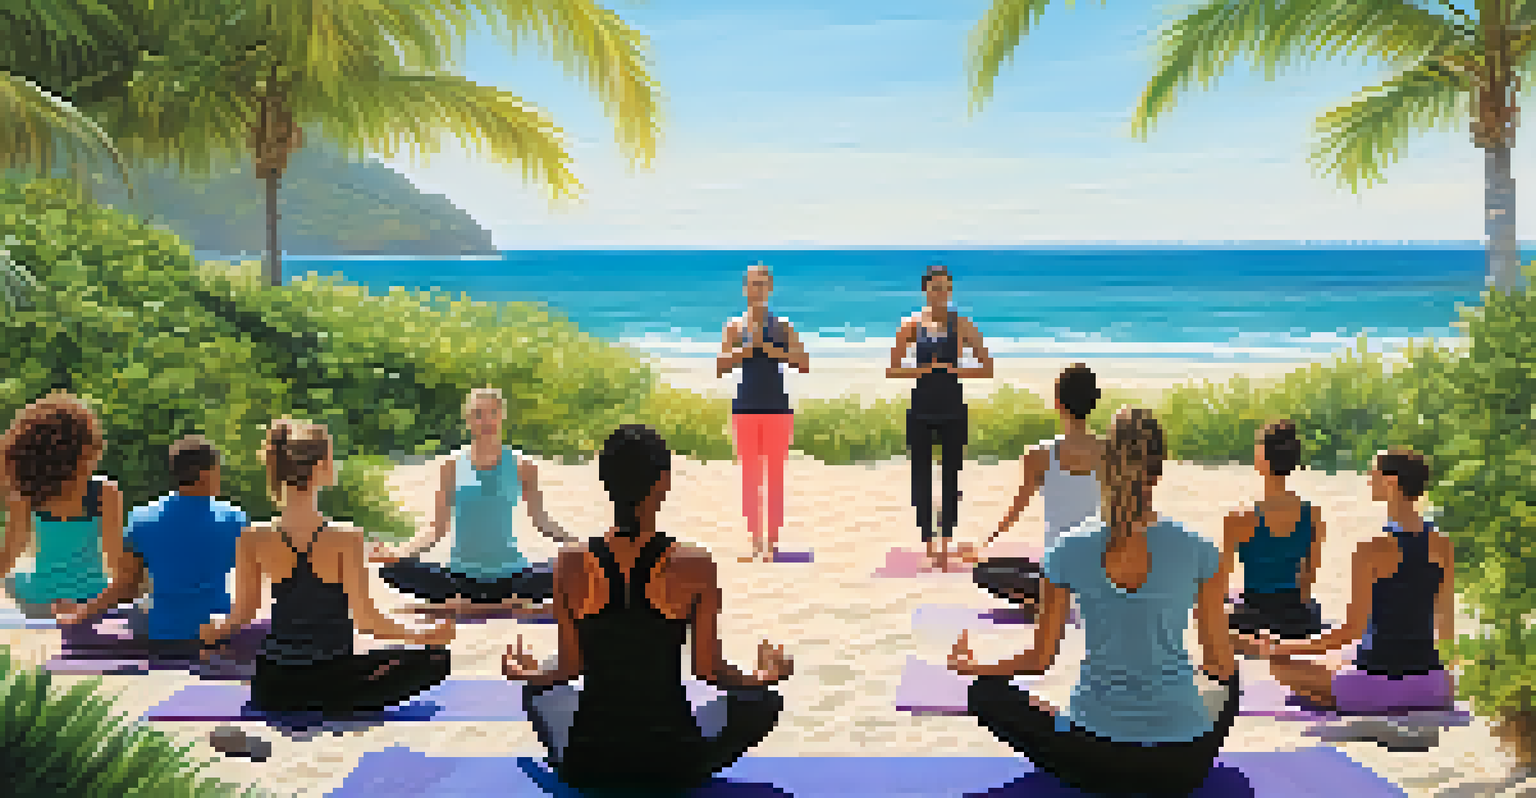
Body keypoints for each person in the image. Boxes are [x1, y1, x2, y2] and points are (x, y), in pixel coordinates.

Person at [950, 407, 1239, 797]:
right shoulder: (1201, 549)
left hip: (1095, 757)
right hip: (1181, 767)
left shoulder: (1067, 548)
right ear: (1159, 469)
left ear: (1106, 463)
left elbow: (1040, 659)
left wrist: (977, 665)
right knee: (1231, 681)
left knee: (984, 693)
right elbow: (1219, 664)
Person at [504, 425, 791, 790]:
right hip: (672, 760)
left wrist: (525, 673)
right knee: (765, 701)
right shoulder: (695, 564)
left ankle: (565, 753)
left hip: (590, 762)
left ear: (604, 481)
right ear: (664, 483)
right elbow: (708, 670)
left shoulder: (570, 562)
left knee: (538, 685)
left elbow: (568, 668)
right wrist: (761, 677)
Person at [200, 417, 454, 749]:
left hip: (273, 685)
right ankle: (339, 701)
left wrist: (215, 628)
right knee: (436, 659)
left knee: (278, 669)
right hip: (334, 677)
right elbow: (368, 621)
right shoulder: (346, 538)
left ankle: (319, 700)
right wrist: (425, 634)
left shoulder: (253, 537)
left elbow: (243, 614)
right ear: (320, 467)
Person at [1252, 449, 1457, 724]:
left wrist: (1283, 648)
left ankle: (1347, 701)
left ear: (1392, 482)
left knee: (1281, 667)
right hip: (1432, 687)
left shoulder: (1371, 548)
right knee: (1342, 659)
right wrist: (1447, 680)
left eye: (1373, 473)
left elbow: (1349, 631)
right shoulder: (1442, 544)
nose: (1368, 478)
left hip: (1377, 686)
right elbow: (1446, 625)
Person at [57, 435, 264, 670]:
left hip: (162, 635)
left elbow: (126, 587)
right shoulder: (235, 519)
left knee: (135, 609)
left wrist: (80, 614)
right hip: (215, 633)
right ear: (207, 474)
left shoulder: (142, 517)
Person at [369, 387, 575, 616]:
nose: (485, 420)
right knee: (390, 569)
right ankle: (504, 604)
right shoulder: (452, 465)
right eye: (478, 414)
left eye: (492, 413)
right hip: (459, 577)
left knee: (572, 569)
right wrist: (398, 553)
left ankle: (471, 604)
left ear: (502, 416)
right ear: (468, 420)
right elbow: (436, 530)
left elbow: (541, 521)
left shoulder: (523, 466)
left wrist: (578, 545)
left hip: (513, 576)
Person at [965, 364, 1104, 613]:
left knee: (983, 571)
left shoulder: (1039, 455)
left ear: (1058, 403)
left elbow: (1016, 510)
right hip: (1098, 571)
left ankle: (1050, 600)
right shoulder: (1112, 453)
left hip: (1058, 571)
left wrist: (984, 544)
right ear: (1093, 403)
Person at [886, 265, 994, 572]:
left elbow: (987, 367)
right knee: (920, 478)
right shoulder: (911, 324)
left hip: (952, 408)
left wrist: (954, 371)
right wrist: (921, 371)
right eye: (935, 288)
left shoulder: (961, 324)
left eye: (945, 288)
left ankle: (945, 542)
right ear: (925, 290)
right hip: (920, 409)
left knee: (951, 478)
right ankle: (928, 543)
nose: (940, 293)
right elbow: (892, 368)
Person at [0, 392, 131, 642]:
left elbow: (10, 554)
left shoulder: (26, 492)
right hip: (91, 598)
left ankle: (58, 603)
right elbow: (116, 562)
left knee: (12, 579)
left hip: (38, 600)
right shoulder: (106, 492)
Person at [716, 262, 810, 563]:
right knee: (749, 478)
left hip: (777, 409)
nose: (756, 290)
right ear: (745, 289)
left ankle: (772, 543)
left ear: (770, 288)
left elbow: (804, 362)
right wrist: (745, 351)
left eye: (762, 284)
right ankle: (755, 542)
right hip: (744, 408)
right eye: (751, 284)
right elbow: (720, 366)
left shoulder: (782, 327)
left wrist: (771, 351)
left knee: (775, 479)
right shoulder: (734, 327)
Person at [1223, 421, 1329, 657]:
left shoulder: (1239, 516)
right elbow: (1308, 579)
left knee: (1219, 607)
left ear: (1261, 457)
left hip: (1251, 618)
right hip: (1296, 618)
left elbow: (1221, 578)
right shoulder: (1312, 514)